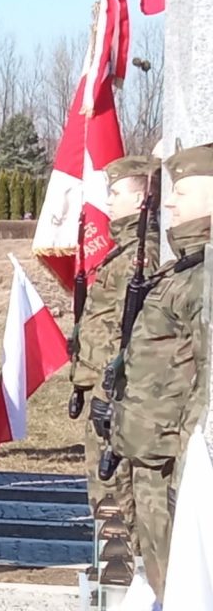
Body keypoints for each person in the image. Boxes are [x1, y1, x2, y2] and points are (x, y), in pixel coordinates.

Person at [109, 144, 213, 602]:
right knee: (159, 577)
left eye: (184, 192)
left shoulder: (202, 275)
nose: (170, 203)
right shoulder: (183, 268)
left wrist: (193, 462)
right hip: (151, 448)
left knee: (180, 581)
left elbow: (206, 377)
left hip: (174, 458)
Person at [69, 156, 160, 553]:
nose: (108, 201)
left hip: (119, 389)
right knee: (104, 491)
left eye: (117, 192)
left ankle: (127, 572)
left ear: (142, 198)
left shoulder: (143, 254)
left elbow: (135, 330)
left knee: (117, 490)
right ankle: (112, 567)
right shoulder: (121, 250)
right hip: (103, 384)